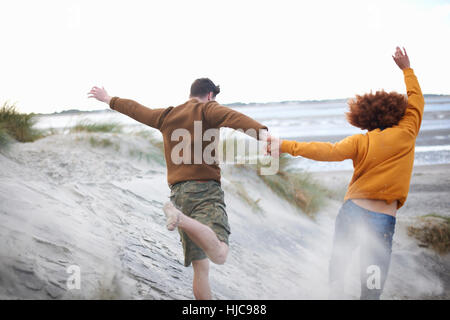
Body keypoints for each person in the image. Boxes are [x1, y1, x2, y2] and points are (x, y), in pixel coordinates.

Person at [88, 78, 267, 299]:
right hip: (205, 192)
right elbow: (234, 118)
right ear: (210, 95)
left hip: (178, 196)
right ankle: (179, 218)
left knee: (201, 268)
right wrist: (263, 134)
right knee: (219, 254)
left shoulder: (167, 115)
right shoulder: (207, 108)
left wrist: (109, 99)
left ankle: (178, 215)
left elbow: (137, 110)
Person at [267, 47, 424, 299]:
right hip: (382, 219)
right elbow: (416, 99)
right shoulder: (407, 131)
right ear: (397, 113)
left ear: (364, 119)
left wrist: (284, 145)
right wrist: (407, 69)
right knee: (371, 284)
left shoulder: (360, 141)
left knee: (338, 271)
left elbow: (324, 151)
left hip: (353, 211)